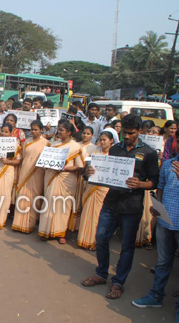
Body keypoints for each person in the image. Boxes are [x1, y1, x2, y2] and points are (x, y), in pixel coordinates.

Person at [81, 114, 159, 300]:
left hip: (131, 207)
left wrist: (140, 184)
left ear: (140, 131)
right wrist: (89, 172)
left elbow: (154, 181)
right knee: (100, 238)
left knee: (127, 247)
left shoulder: (148, 153)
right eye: (124, 132)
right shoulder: (115, 149)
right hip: (111, 202)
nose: (127, 136)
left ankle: (118, 282)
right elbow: (100, 173)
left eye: (131, 133)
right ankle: (101, 273)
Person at [131, 154, 179, 318]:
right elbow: (161, 187)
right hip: (165, 222)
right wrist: (157, 207)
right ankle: (156, 296)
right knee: (163, 262)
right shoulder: (168, 164)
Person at [38, 121, 83, 244]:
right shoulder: (54, 145)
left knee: (63, 206)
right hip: (51, 176)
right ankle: (45, 231)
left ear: (69, 132)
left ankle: (60, 233)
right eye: (58, 129)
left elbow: (79, 167)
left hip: (66, 178)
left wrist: (65, 168)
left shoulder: (75, 147)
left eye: (62, 130)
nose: (59, 132)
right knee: (49, 203)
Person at [77, 131, 114, 250]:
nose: (102, 142)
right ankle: (84, 239)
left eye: (105, 140)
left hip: (104, 188)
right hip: (91, 185)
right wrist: (87, 172)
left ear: (111, 141)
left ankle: (95, 241)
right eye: (101, 140)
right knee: (87, 211)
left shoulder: (114, 154)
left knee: (98, 214)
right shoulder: (94, 152)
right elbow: (86, 169)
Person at [12, 120, 49, 233]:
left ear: (41, 130)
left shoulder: (46, 143)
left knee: (34, 197)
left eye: (36, 129)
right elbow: (23, 157)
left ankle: (30, 224)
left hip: (37, 173)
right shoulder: (27, 142)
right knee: (22, 195)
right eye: (32, 129)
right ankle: (18, 223)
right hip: (24, 171)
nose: (33, 131)